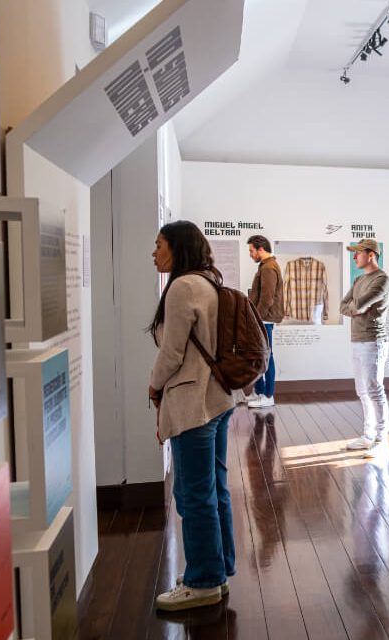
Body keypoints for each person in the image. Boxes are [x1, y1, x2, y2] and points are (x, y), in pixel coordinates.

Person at [148, 221, 235, 611]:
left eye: (159, 245)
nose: (154, 253)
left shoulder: (183, 287)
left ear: (178, 248)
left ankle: (202, 581)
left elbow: (171, 354)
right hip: (216, 400)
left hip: (191, 404)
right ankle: (217, 569)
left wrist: (152, 387)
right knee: (214, 490)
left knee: (193, 494)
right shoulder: (209, 281)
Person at [340, 239, 389, 457]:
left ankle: (381, 437)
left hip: (373, 340)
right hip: (357, 339)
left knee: (374, 388)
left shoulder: (382, 279)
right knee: (362, 390)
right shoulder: (360, 279)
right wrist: (355, 308)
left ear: (371, 255)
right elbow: (344, 306)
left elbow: (358, 304)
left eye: (357, 253)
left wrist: (356, 307)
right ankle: (368, 434)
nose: (354, 257)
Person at [246, 235, 284, 409]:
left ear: (261, 249)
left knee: (267, 356)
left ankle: (268, 395)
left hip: (264, 319)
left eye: (251, 250)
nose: (250, 254)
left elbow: (267, 299)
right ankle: (260, 392)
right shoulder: (266, 266)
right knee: (261, 354)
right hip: (264, 319)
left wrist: (256, 319)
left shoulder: (268, 268)